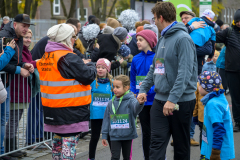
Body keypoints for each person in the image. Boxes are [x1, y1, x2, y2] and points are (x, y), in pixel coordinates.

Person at [137, 2, 197, 160]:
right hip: (160, 100)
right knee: (156, 142)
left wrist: (172, 99)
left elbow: (185, 73)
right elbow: (155, 68)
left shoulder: (183, 39)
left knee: (180, 146)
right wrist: (143, 89)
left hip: (181, 102)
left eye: (154, 18)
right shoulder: (162, 38)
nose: (153, 21)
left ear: (160, 18)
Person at [37, 23, 96, 160]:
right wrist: (91, 65)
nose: (75, 39)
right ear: (67, 38)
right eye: (73, 36)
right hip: (70, 111)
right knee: (69, 148)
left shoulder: (47, 56)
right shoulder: (67, 57)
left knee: (57, 146)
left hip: (52, 109)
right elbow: (87, 76)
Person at [0, 14, 34, 159]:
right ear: (15, 24)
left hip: (6, 83)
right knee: (4, 119)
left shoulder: (17, 37)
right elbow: (2, 62)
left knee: (5, 118)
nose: (26, 29)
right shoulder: (5, 37)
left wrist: (24, 64)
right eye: (23, 26)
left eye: (27, 27)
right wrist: (20, 70)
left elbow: (13, 60)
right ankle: (3, 151)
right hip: (3, 81)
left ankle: (6, 150)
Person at [102, 75, 145, 160]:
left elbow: (136, 109)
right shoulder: (111, 102)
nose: (114, 89)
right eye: (114, 87)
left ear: (126, 88)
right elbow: (106, 119)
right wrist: (104, 135)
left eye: (118, 87)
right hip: (114, 135)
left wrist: (140, 103)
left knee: (127, 157)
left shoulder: (131, 99)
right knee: (114, 157)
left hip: (127, 135)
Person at [130, 30, 157, 160]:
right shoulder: (136, 58)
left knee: (156, 132)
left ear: (149, 41)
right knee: (146, 133)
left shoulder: (158, 57)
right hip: (142, 102)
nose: (137, 42)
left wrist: (148, 91)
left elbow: (160, 79)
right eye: (137, 39)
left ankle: (158, 156)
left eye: (141, 40)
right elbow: (133, 80)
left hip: (156, 101)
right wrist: (135, 93)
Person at [198, 71, 235, 160]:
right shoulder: (220, 98)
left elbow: (219, 129)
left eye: (200, 85)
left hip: (218, 152)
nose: (198, 87)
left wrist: (215, 152)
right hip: (216, 148)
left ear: (206, 87)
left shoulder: (213, 104)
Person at [216, 9, 240, 132]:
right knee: (235, 98)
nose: (239, 23)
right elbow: (214, 37)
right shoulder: (229, 32)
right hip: (232, 71)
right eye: (238, 21)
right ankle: (238, 122)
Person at [89, 58, 113, 160]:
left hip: (108, 115)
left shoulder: (111, 84)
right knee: (94, 137)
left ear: (107, 70)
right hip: (96, 114)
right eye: (98, 67)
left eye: (103, 68)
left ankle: (114, 156)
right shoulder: (93, 82)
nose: (100, 69)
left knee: (110, 137)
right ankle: (91, 158)